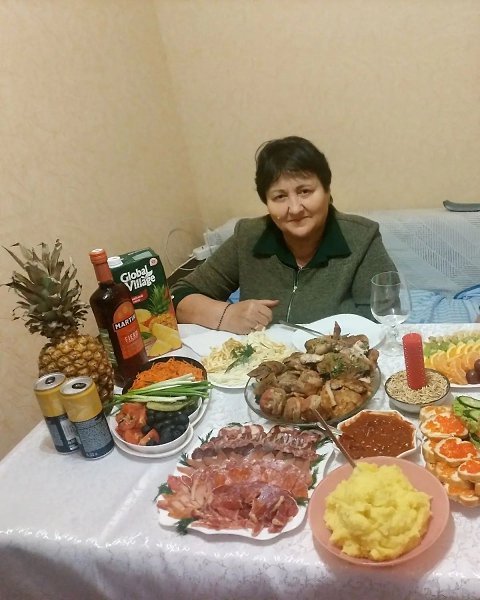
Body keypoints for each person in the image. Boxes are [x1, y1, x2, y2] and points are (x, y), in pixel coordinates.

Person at [172, 136, 396, 334]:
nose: (295, 208)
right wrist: (226, 315)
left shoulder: (361, 237)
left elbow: (384, 319)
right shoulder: (248, 236)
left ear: (327, 191)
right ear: (266, 202)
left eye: (305, 191)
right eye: (280, 196)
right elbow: (178, 295)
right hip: (261, 363)